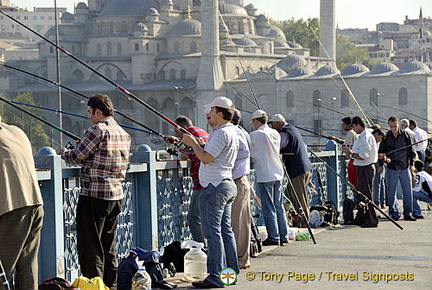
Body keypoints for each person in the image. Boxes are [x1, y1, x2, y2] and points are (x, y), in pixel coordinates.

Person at [60, 94, 131, 288]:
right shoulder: (123, 133)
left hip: (94, 195)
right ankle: (110, 285)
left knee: (90, 245)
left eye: (90, 112)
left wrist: (63, 153)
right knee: (108, 244)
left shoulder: (97, 130)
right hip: (116, 195)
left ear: (98, 111)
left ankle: (93, 285)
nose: (89, 116)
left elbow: (77, 155)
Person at [182, 96, 239, 288]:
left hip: (214, 187)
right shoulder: (231, 131)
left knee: (213, 234)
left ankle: (216, 276)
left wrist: (193, 144)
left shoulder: (221, 133)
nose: (209, 114)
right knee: (225, 231)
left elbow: (206, 158)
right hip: (226, 184)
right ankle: (230, 273)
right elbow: (212, 154)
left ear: (220, 113)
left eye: (212, 111)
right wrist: (198, 144)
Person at [0, 116, 44, 289]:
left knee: (3, 273)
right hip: (35, 204)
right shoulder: (17, 132)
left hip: (11, 209)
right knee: (27, 269)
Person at [165, 116, 209, 243]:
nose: (177, 135)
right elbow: (190, 149)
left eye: (177, 132)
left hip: (202, 182)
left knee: (193, 217)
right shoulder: (201, 132)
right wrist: (176, 141)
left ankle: (202, 248)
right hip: (210, 180)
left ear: (183, 128)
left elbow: (184, 155)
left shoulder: (190, 134)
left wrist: (176, 145)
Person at [250, 110, 288, 246]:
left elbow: (250, 152)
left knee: (268, 207)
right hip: (278, 172)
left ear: (256, 121)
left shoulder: (255, 135)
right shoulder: (275, 133)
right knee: (279, 205)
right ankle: (284, 235)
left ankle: (273, 236)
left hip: (265, 174)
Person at [269, 113, 312, 228]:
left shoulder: (285, 133)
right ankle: (295, 220)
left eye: (273, 124)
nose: (272, 127)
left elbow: (277, 147)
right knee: (289, 195)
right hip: (303, 168)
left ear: (279, 123)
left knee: (299, 198)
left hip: (297, 170)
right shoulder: (292, 128)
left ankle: (304, 224)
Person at [378, 116, 417, 221]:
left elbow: (412, 151)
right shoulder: (387, 137)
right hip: (391, 167)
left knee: (407, 191)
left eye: (395, 126)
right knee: (391, 191)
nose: (393, 128)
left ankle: (408, 213)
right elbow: (381, 152)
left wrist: (412, 164)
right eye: (391, 127)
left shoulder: (406, 135)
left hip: (404, 166)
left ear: (398, 124)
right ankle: (393, 212)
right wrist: (381, 164)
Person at [230, 109, 251, 269]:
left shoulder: (233, 134)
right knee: (241, 222)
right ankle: (240, 259)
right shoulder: (242, 132)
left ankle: (239, 259)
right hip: (241, 180)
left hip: (237, 181)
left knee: (238, 223)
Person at [349, 116, 379, 227]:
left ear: (358, 125)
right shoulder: (362, 137)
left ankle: (372, 219)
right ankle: (362, 218)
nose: (353, 130)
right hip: (362, 168)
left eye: (353, 127)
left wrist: (351, 155)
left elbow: (363, 156)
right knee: (361, 195)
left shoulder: (365, 137)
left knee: (366, 195)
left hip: (366, 168)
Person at [330, 116, 358, 187]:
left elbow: (346, 147)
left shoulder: (350, 133)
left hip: (353, 160)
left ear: (349, 125)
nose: (343, 126)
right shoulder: (355, 132)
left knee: (353, 181)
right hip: (357, 160)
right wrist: (336, 139)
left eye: (344, 125)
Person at [372, 128, 386, 209]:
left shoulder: (378, 143)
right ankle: (379, 202)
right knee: (378, 184)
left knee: (379, 183)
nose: (380, 140)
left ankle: (379, 203)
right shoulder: (372, 140)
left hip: (379, 163)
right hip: (377, 163)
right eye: (380, 138)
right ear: (376, 134)